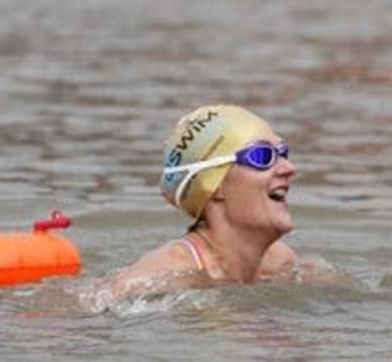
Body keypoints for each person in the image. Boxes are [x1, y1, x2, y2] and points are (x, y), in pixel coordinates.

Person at [103, 104, 304, 299]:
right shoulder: (164, 276)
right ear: (215, 187)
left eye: (282, 153)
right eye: (263, 156)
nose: (289, 168)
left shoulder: (281, 264)